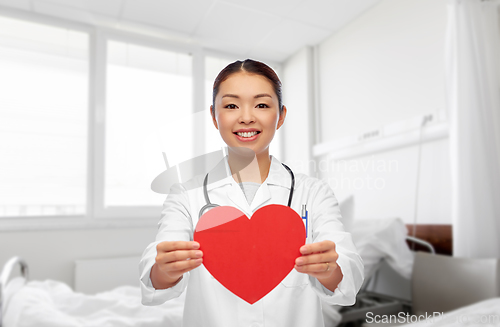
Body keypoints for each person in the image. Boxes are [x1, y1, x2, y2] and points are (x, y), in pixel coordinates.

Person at [139, 59, 364, 327]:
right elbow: (155, 276)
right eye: (231, 105)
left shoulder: (313, 193)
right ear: (214, 116)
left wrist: (329, 270)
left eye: (261, 104)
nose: (246, 117)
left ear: (280, 116)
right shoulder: (185, 195)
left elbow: (348, 276)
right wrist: (164, 270)